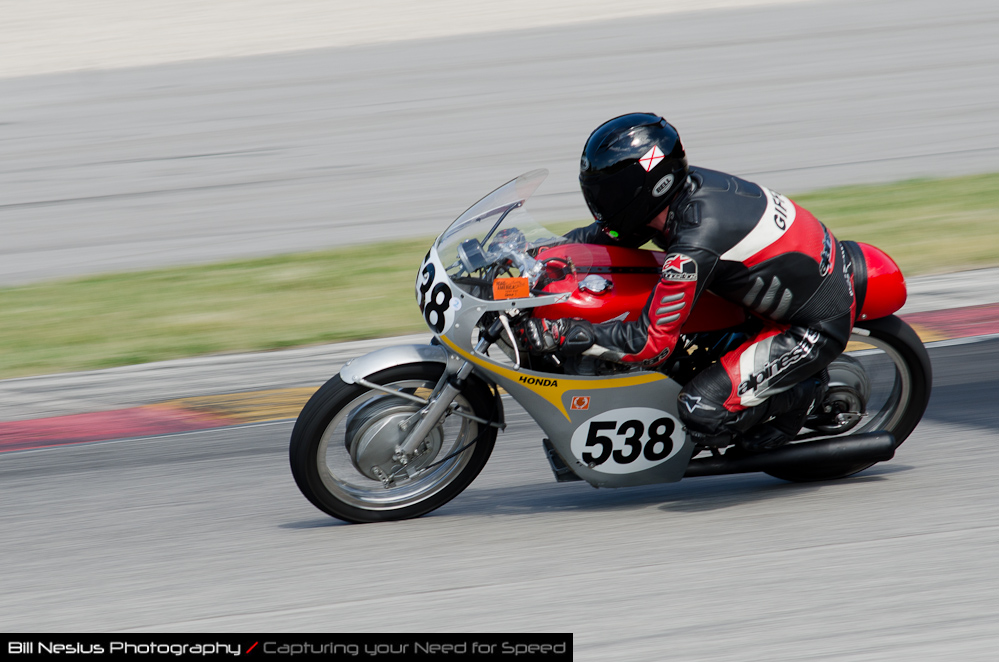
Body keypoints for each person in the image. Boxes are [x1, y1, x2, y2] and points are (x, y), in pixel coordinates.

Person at [518, 113, 857, 451]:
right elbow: (598, 238)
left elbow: (652, 344)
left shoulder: (695, 242)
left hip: (809, 325)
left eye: (610, 192)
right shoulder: (671, 200)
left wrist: (568, 332)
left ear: (647, 187)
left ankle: (804, 395)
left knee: (700, 411)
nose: (601, 202)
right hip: (776, 288)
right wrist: (534, 252)